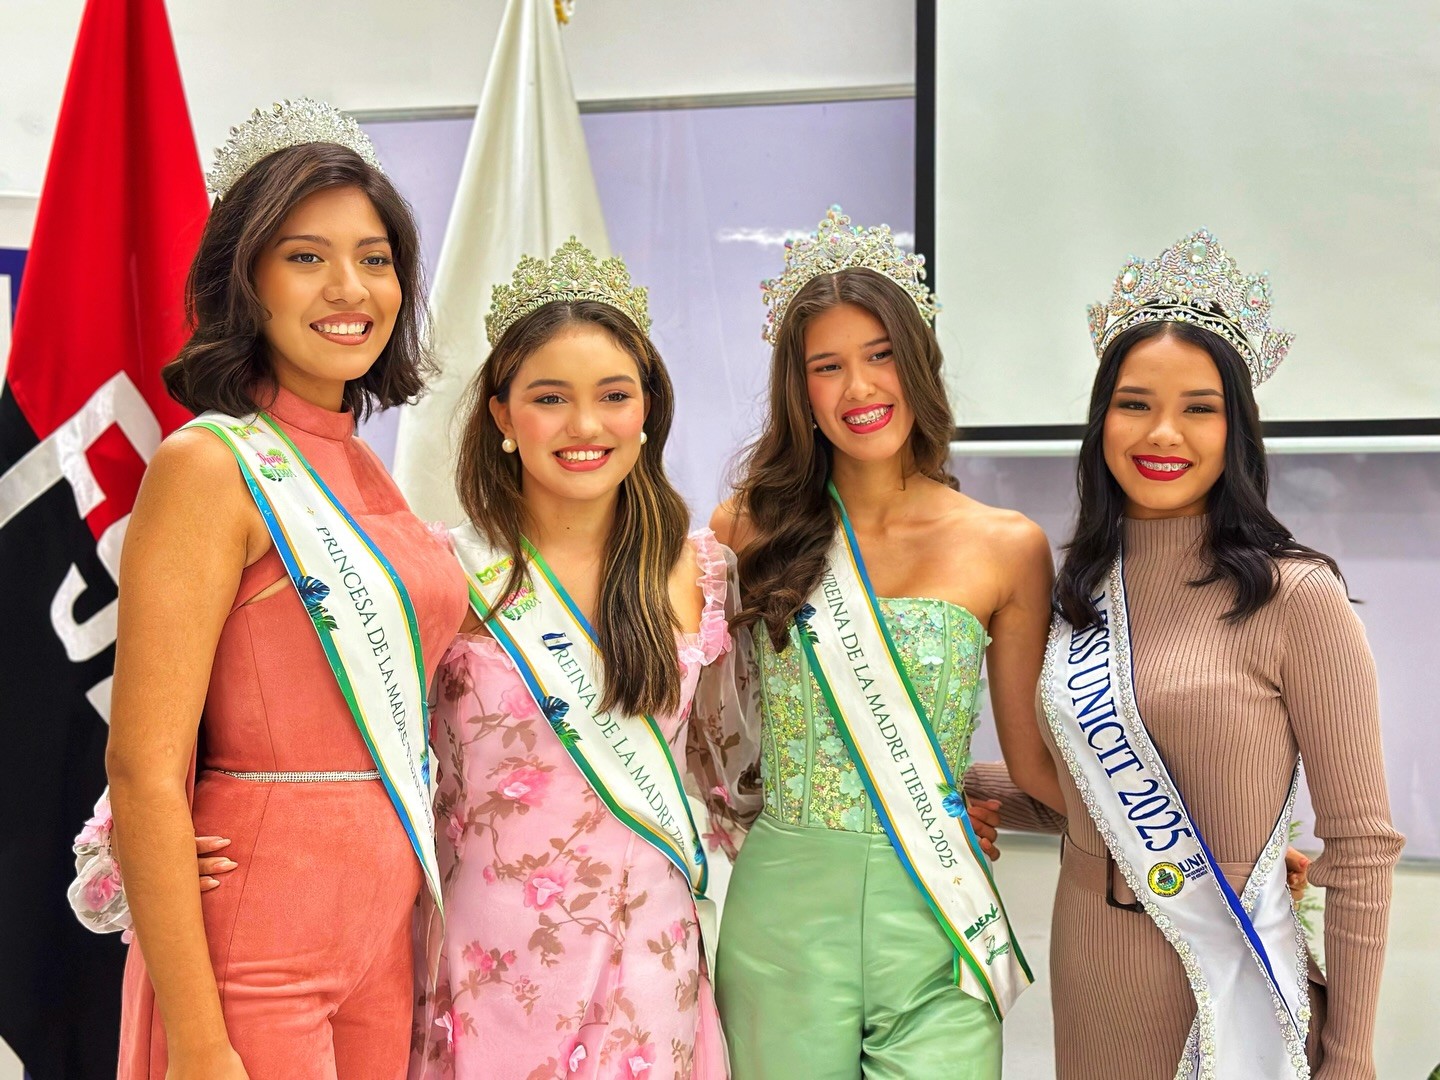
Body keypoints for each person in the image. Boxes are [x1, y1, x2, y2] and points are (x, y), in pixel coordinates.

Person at [100, 100, 468, 1079]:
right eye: (307, 257)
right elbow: (142, 767)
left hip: (384, 940)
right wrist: (200, 1044)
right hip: (257, 950)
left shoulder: (367, 470)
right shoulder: (210, 465)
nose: (350, 287)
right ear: (246, 279)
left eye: (376, 257)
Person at [1033, 228, 1402, 1079]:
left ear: (1236, 426)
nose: (1163, 432)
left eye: (1199, 406)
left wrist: (1349, 1057)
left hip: (1235, 982)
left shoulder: (1295, 595)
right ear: (1102, 421)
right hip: (1090, 969)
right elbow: (1087, 789)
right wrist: (969, 794)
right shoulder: (1081, 587)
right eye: (1134, 403)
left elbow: (1362, 845)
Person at [702, 208, 1061, 1079]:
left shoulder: (1007, 545)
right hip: (783, 913)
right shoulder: (746, 529)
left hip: (935, 916)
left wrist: (1204, 838)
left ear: (919, 363)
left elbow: (1039, 766)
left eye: (880, 355)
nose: (859, 388)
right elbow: (706, 726)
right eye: (828, 366)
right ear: (802, 392)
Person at [411, 239, 737, 1079]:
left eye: (613, 396)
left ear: (647, 410)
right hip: (487, 963)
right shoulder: (444, 571)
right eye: (549, 398)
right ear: (501, 417)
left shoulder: (697, 568)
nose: (585, 426)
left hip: (647, 959)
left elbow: (735, 769)